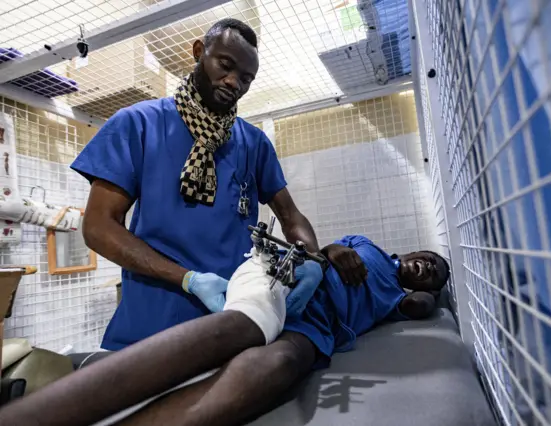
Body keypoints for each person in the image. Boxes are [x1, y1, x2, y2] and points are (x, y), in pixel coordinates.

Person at [69, 18, 365, 352]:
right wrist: (188, 279)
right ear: (199, 52)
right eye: (225, 65)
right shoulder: (137, 125)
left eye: (246, 78)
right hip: (154, 321)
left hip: (237, 316)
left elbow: (291, 216)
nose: (233, 82)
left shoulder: (253, 143)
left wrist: (311, 261)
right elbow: (97, 227)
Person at [0, 236, 450, 426]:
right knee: (233, 329)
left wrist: (429, 294)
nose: (428, 267)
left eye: (434, 272)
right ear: (411, 248)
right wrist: (328, 252)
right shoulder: (367, 243)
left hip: (316, 325)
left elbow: (423, 306)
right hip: (286, 283)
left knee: (280, 364)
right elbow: (320, 245)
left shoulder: (400, 299)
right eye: (429, 258)